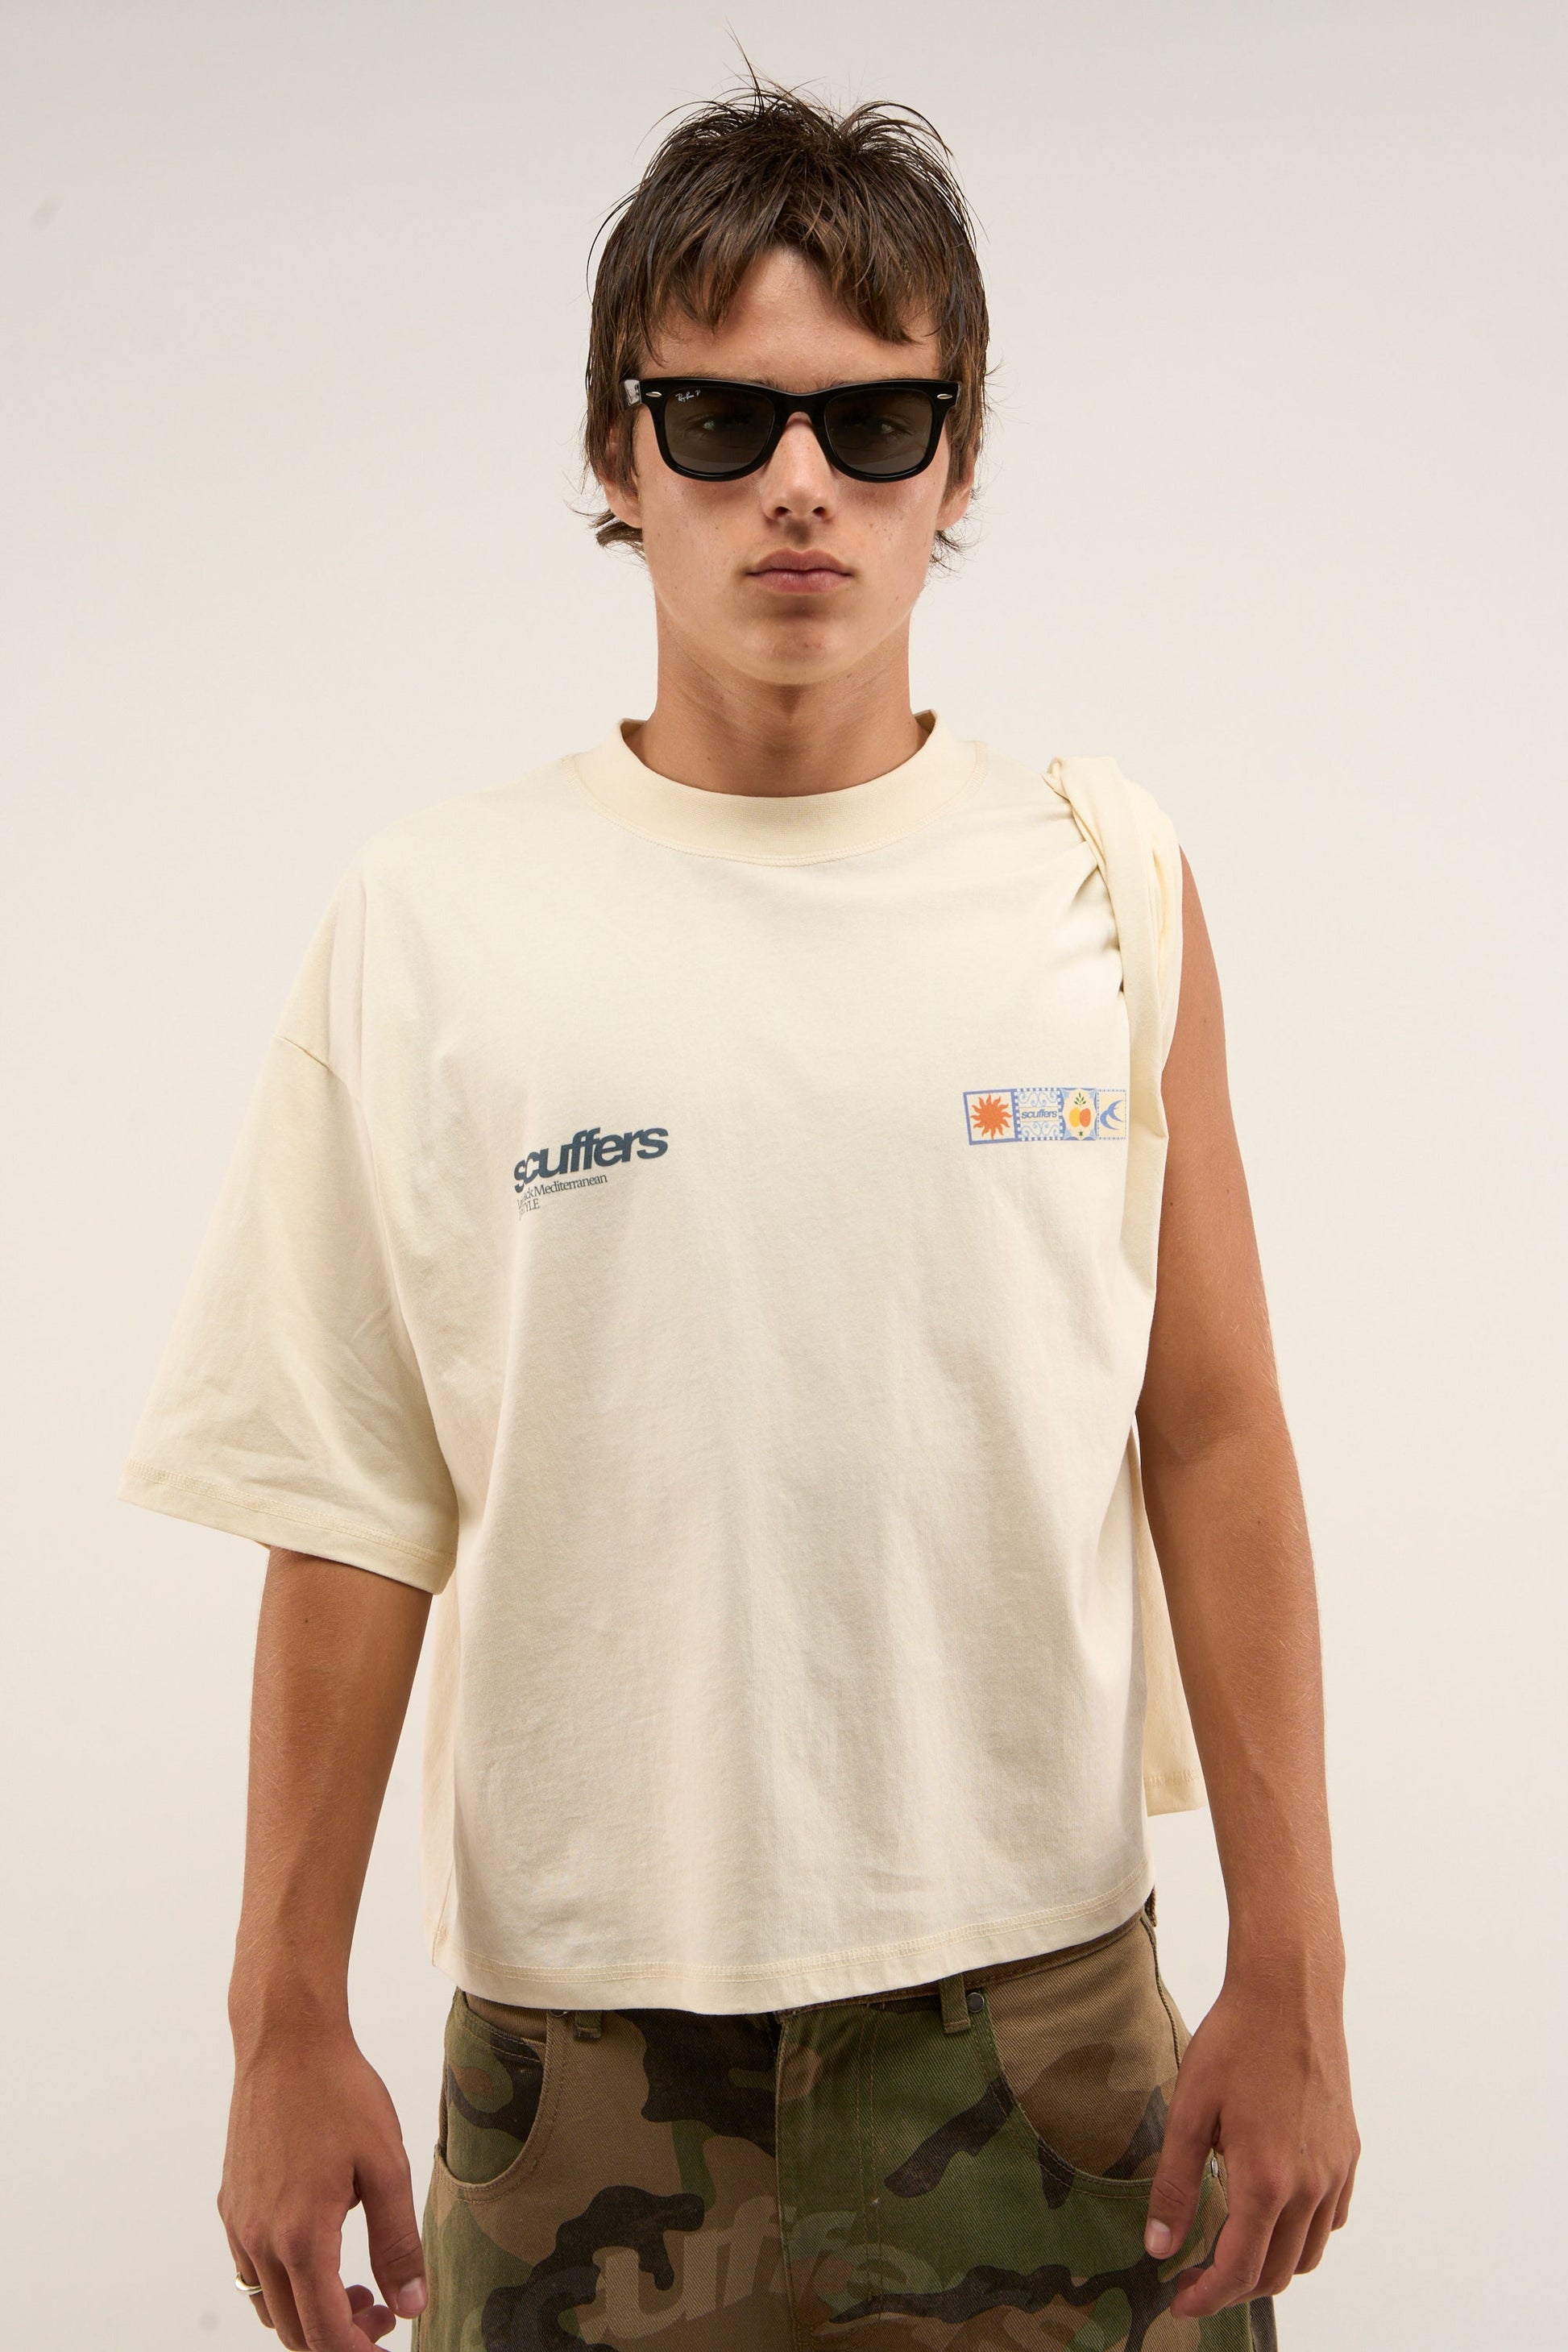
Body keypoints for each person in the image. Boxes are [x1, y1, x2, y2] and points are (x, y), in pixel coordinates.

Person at [118, 77, 1359, 2352]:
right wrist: (278, 2020)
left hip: (1044, 2033)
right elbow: (347, 1502)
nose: (800, 482)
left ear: (957, 461)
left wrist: (1295, 1970)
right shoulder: (432, 920)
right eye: (719, 418)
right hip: (578, 2057)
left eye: (875, 423)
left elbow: (1209, 1436)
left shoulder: (1102, 889)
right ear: (620, 453)